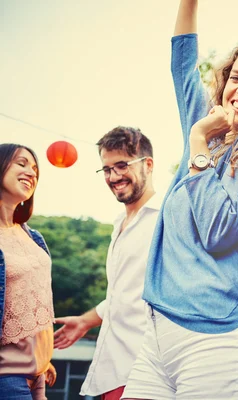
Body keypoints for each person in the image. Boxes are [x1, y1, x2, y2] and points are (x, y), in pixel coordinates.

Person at [122, 0, 238, 399]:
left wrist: (196, 143)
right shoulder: (208, 127)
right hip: (159, 337)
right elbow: (182, 63)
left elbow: (218, 230)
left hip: (222, 337)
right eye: (236, 78)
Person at [52, 127, 159, 400]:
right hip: (112, 371)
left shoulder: (166, 217)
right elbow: (125, 293)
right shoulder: (118, 225)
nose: (113, 176)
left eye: (122, 165)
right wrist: (86, 321)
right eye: (106, 169)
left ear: (148, 164)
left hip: (147, 372)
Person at [0, 143, 55, 399]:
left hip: (37, 375)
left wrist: (42, 358)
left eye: (35, 169)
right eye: (21, 163)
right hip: (6, 377)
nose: (31, 173)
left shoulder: (33, 236)